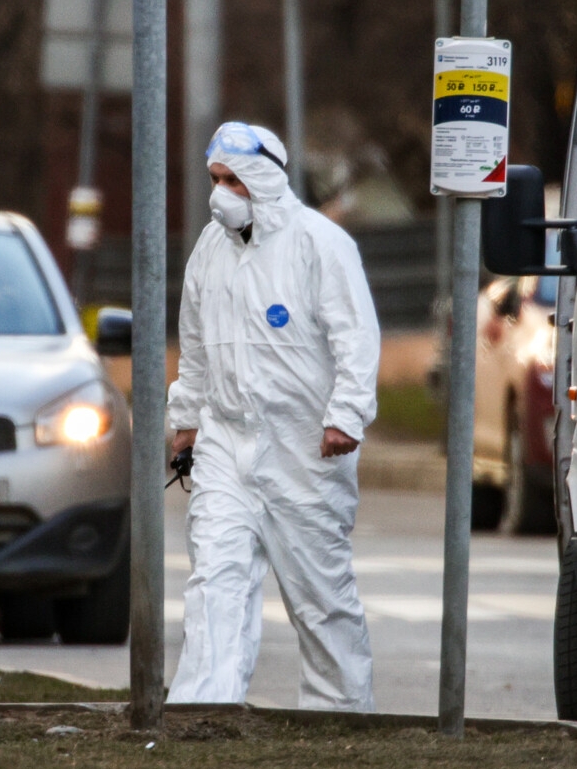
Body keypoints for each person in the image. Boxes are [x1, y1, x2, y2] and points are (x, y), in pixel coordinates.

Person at [166, 121, 381, 712]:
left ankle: (340, 714)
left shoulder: (319, 244)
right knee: (216, 581)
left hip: (304, 448)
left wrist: (346, 416)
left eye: (233, 180)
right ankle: (204, 710)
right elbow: (196, 345)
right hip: (225, 443)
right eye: (215, 179)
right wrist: (187, 420)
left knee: (320, 597)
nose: (221, 193)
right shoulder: (209, 250)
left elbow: (355, 338)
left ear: (263, 178)